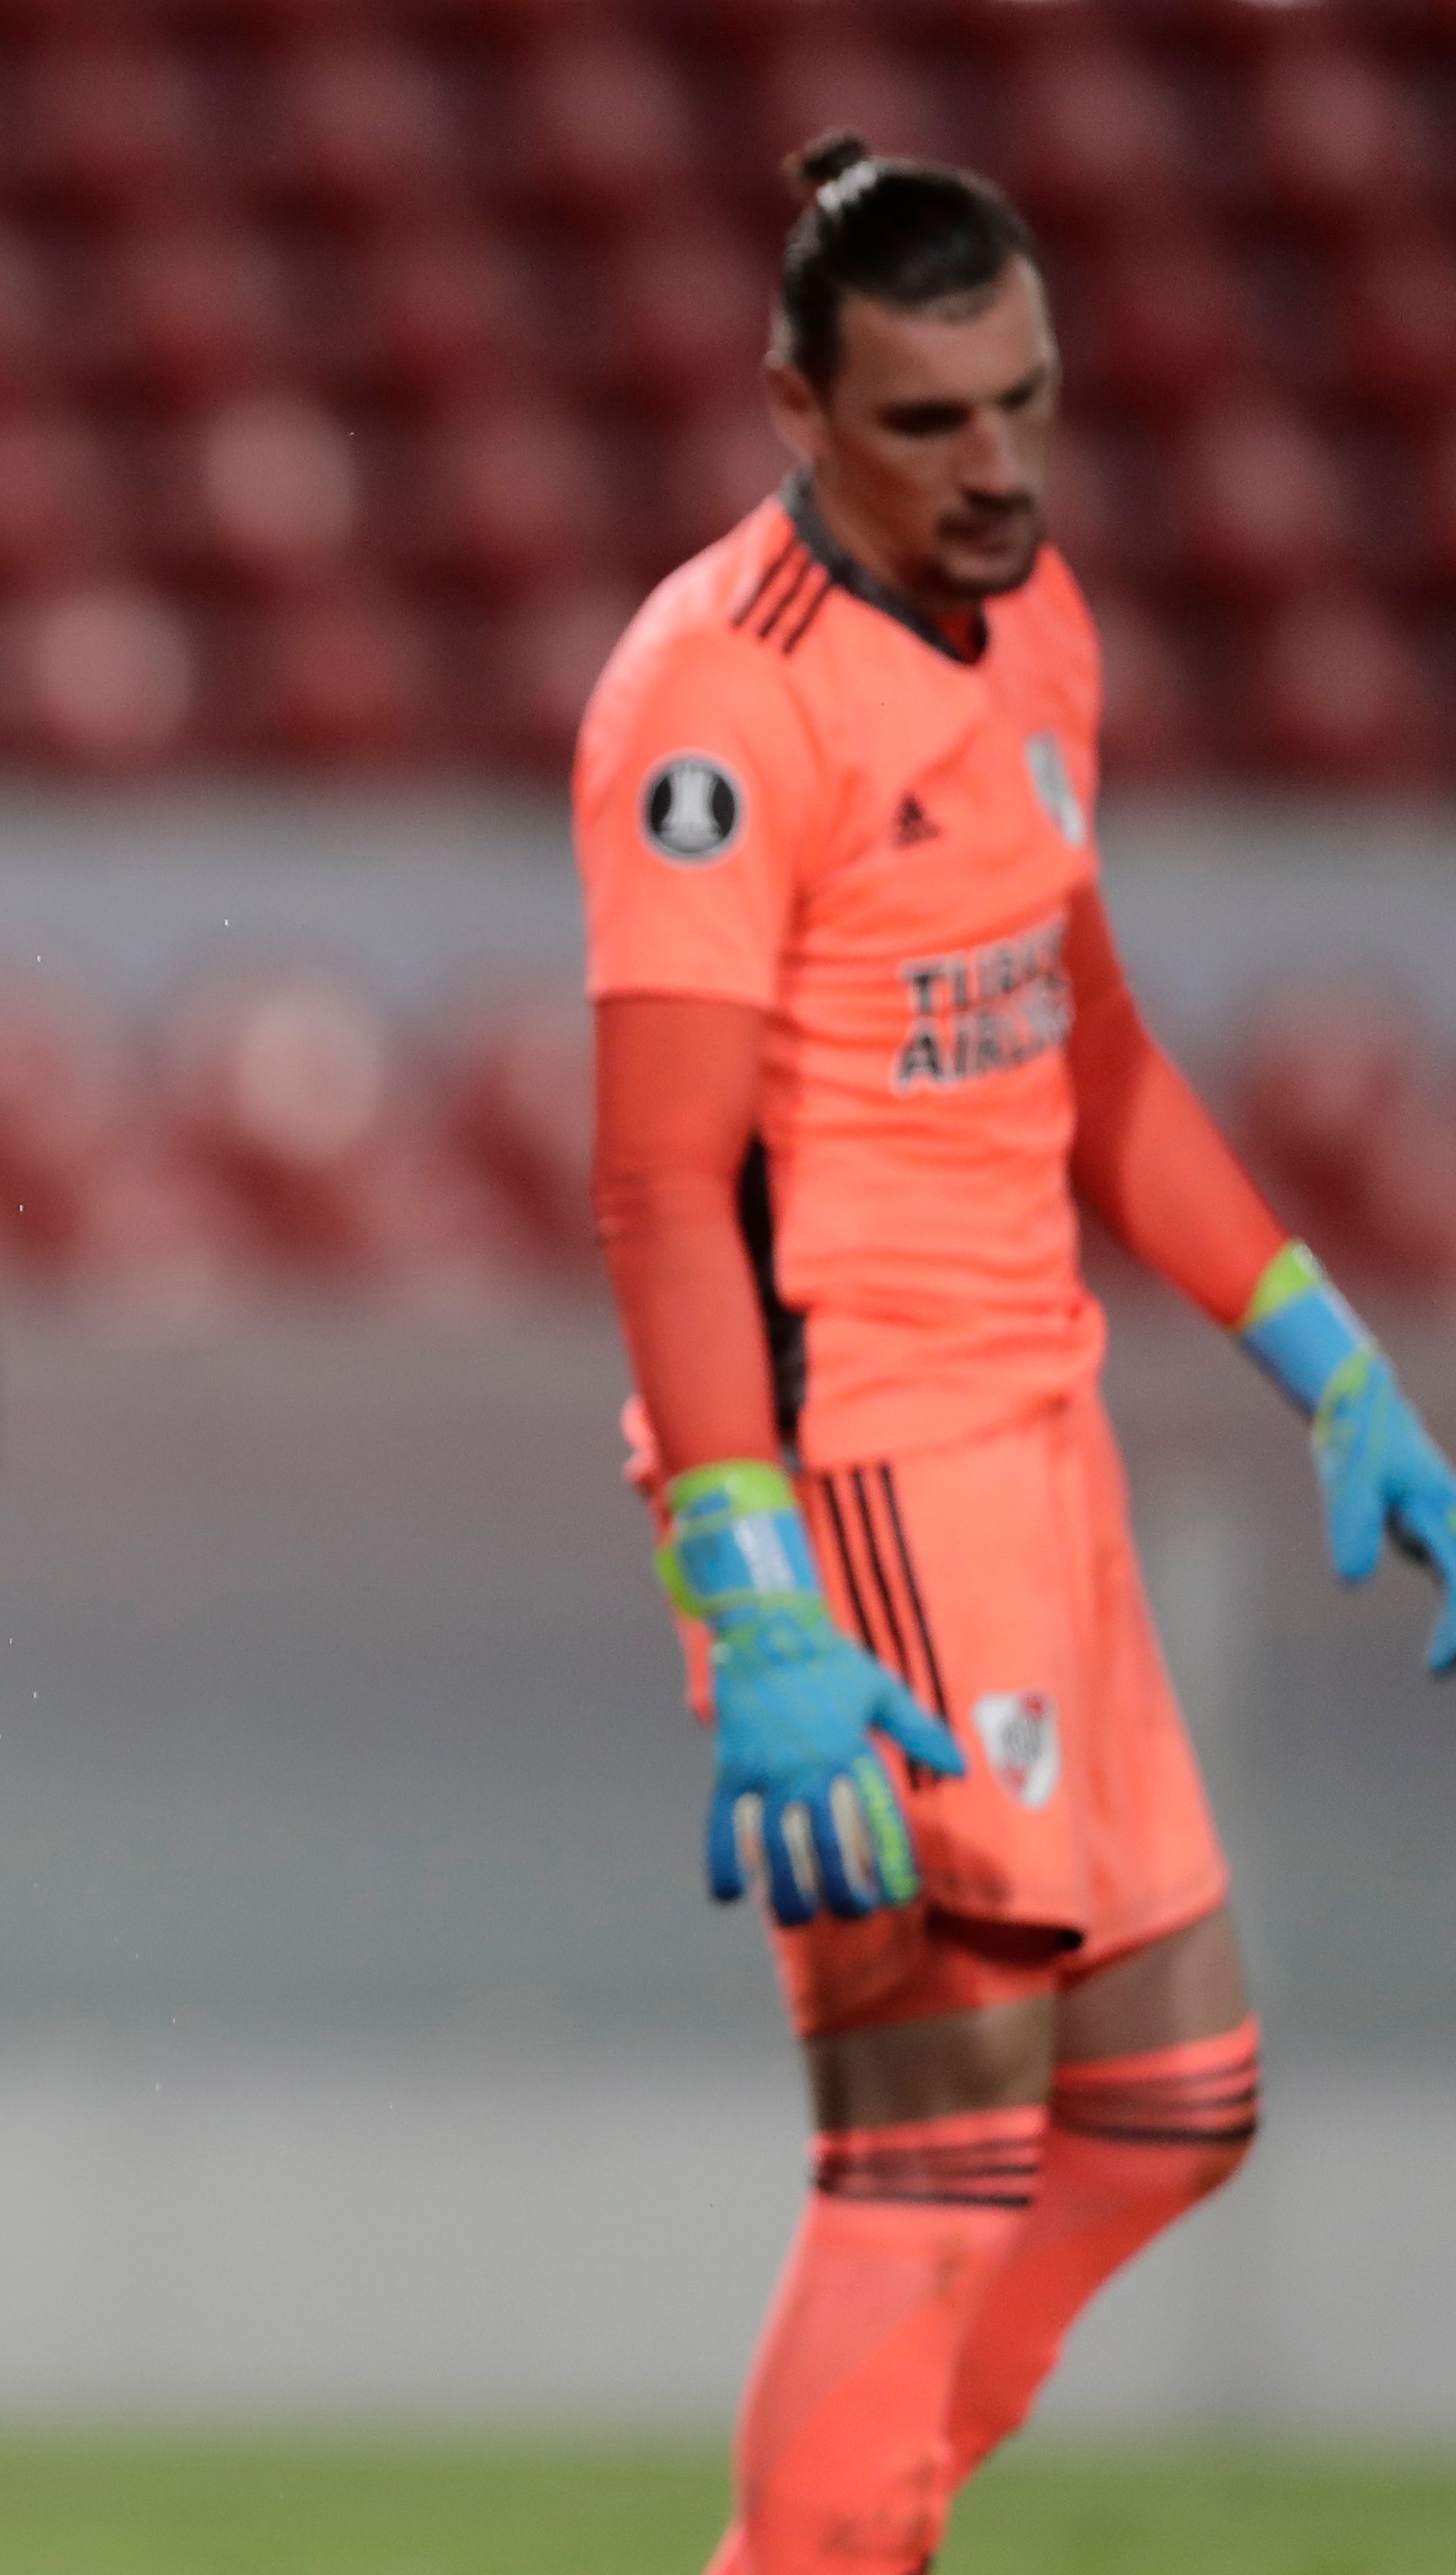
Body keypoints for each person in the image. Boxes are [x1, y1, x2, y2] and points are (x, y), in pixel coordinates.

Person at [576, 137, 1456, 2575]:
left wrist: (1333, 1367)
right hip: (850, 1467)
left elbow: (1089, 1048)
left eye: (1027, 407)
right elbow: (660, 1188)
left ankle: (828, 2537)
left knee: (1173, 2100)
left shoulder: (1037, 619)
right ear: (791, 403)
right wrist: (751, 1591)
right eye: (930, 422)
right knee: (931, 2148)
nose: (996, 469)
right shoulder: (713, 703)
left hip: (1036, 1443)